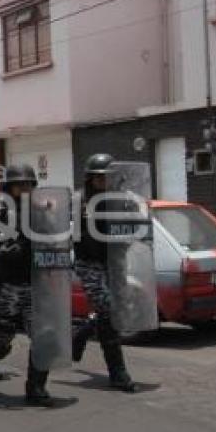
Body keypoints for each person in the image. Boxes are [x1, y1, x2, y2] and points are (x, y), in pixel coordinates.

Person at [0, 164, 54, 406]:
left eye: (29, 185)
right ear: (10, 187)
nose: (25, 189)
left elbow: (55, 240)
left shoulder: (40, 212)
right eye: (20, 185)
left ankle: (36, 388)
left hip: (35, 283)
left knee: (44, 336)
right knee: (1, 336)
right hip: (6, 283)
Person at [71, 153, 137, 392]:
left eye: (108, 178)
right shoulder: (78, 201)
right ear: (90, 178)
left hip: (113, 262)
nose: (103, 182)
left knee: (112, 313)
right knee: (108, 312)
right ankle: (118, 373)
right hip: (88, 263)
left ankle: (80, 331)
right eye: (99, 178)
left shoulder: (120, 201)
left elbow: (134, 228)